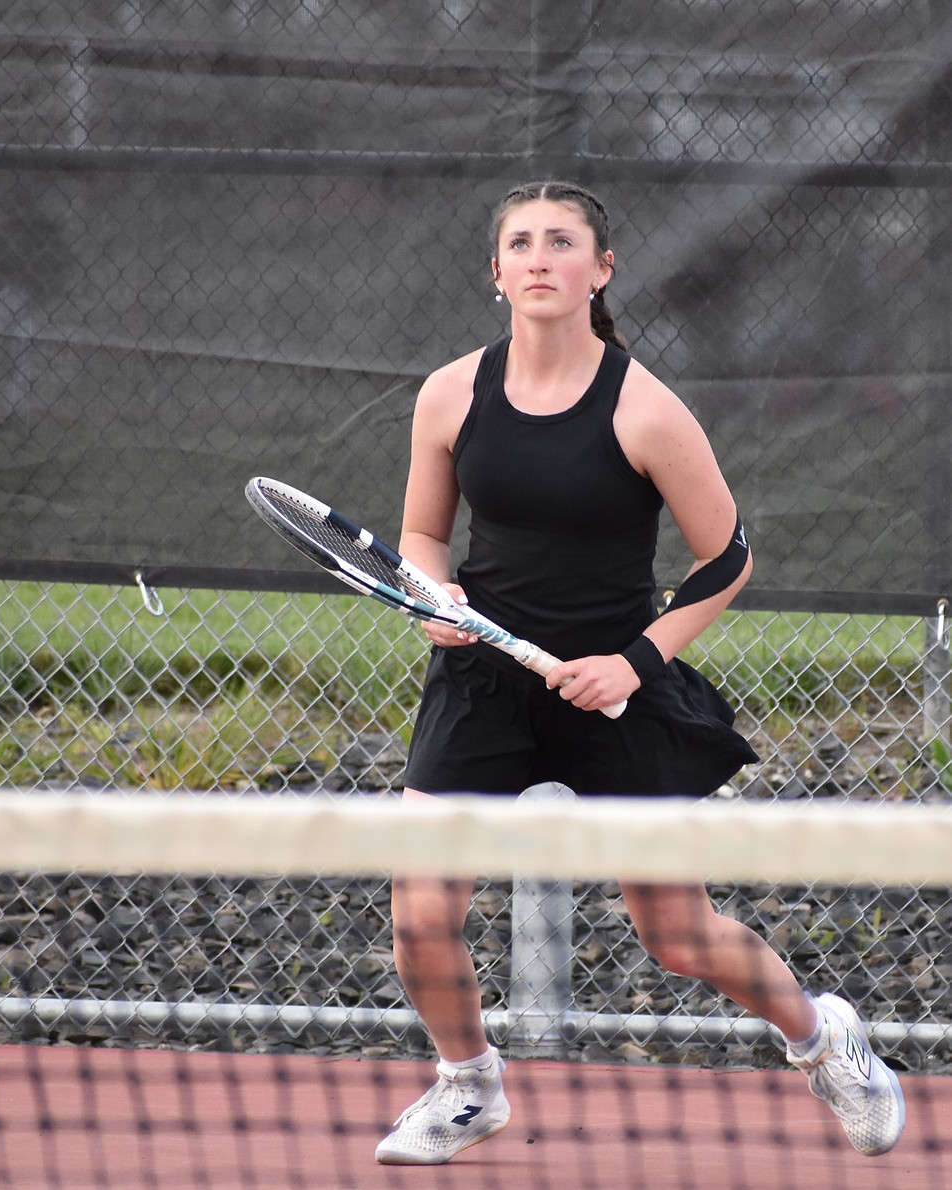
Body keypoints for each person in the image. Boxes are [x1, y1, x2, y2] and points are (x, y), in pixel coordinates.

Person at [374, 180, 905, 1166]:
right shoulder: (449, 393)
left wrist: (633, 661)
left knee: (676, 931)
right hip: (483, 681)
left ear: (600, 269)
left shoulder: (646, 408)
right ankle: (468, 1083)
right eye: (519, 243)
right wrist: (436, 596)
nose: (539, 257)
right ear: (497, 273)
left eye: (561, 241)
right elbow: (420, 533)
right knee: (418, 917)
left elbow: (727, 557)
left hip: (616, 683)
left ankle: (823, 1037)